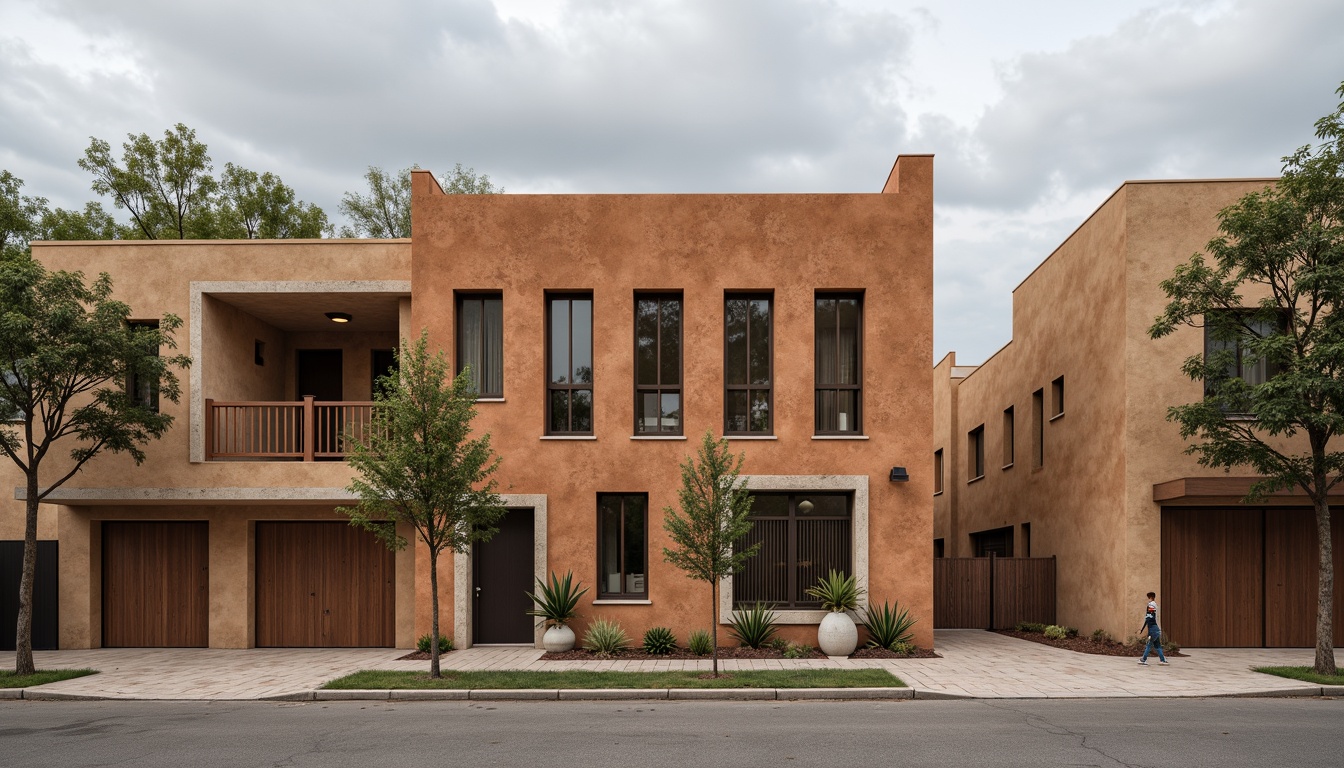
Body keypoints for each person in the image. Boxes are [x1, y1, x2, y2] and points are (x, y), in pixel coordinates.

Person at [1137, 591, 1169, 666]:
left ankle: (1143, 659)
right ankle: (1163, 660)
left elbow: (1149, 617)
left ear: (1150, 597)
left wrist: (1147, 628)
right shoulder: (1155, 605)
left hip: (1153, 628)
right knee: (1157, 645)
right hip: (1156, 628)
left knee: (1149, 644)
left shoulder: (1151, 605)